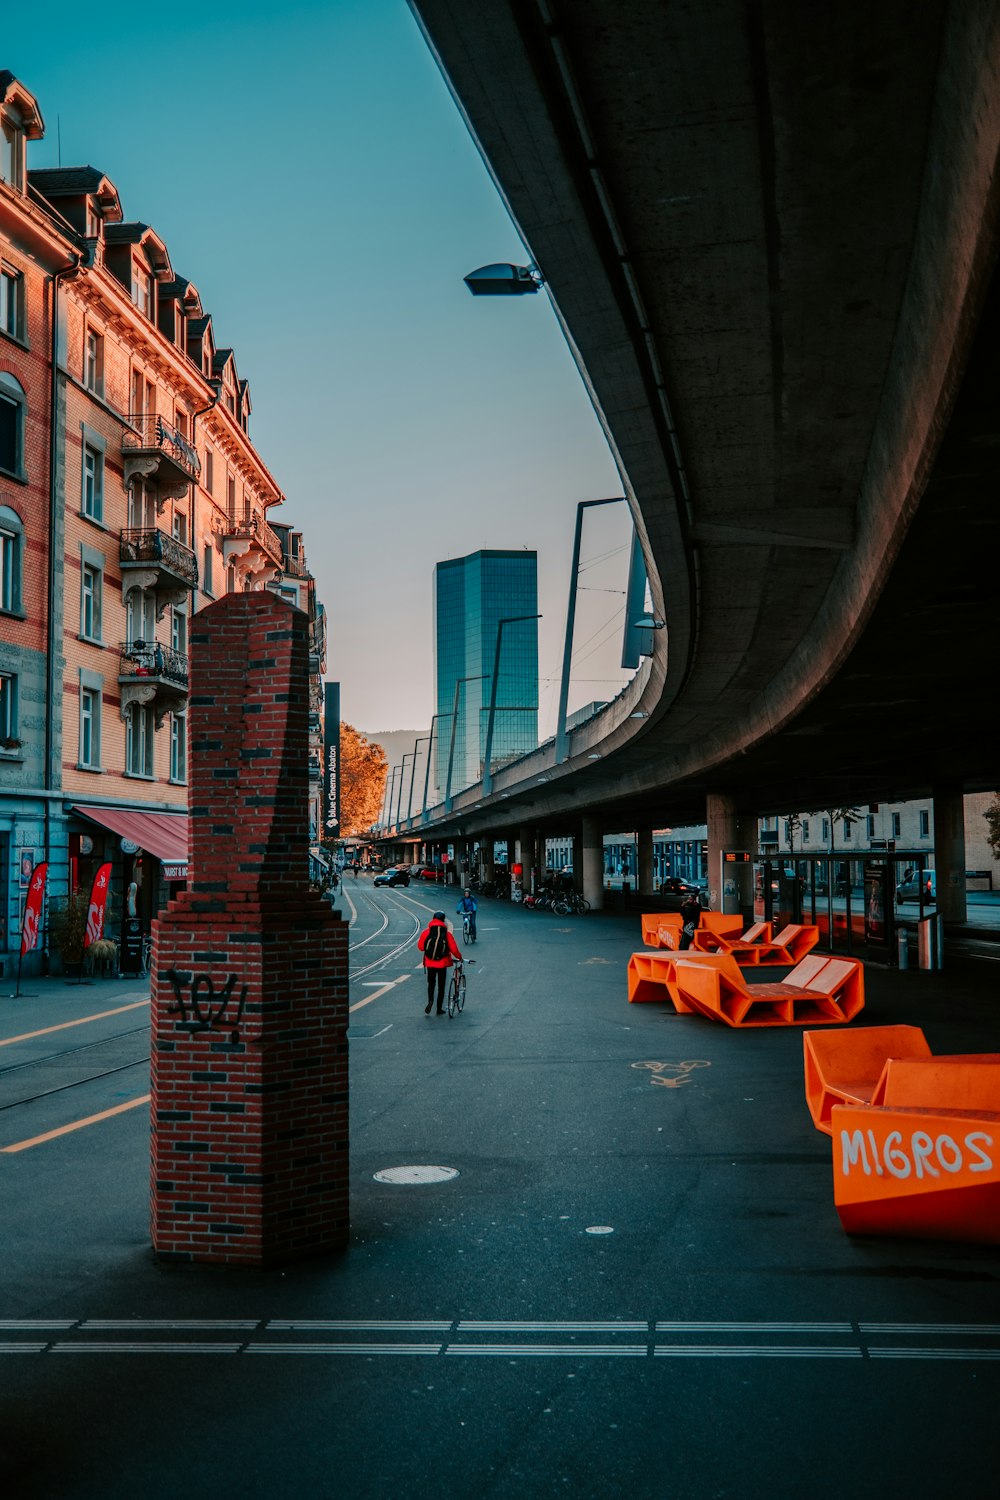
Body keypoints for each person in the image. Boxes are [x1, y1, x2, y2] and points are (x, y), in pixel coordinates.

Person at [418, 911, 463, 1014]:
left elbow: (420, 947)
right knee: (441, 985)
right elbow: (454, 949)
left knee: (431, 984)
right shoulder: (446, 934)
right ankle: (439, 1008)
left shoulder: (426, 932)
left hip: (430, 963)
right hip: (442, 963)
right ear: (443, 920)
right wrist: (459, 957)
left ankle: (430, 1001)